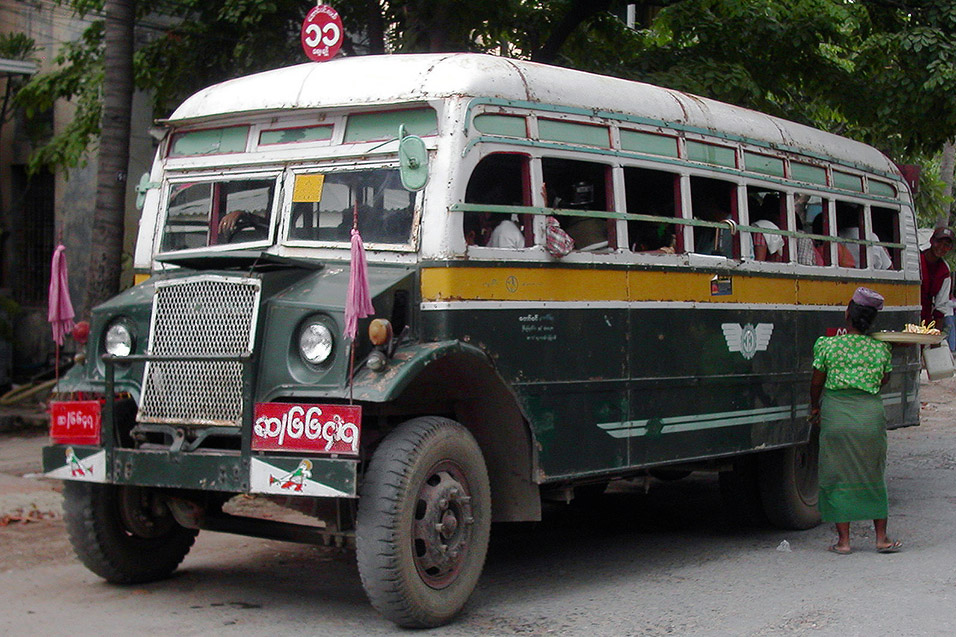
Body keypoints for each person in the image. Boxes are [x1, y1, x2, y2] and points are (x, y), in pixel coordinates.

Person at [809, 287, 899, 555]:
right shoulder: (881, 348)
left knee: (837, 474)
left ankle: (844, 542)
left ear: (847, 314)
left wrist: (815, 408)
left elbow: (816, 382)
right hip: (869, 417)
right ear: (871, 320)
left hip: (837, 414)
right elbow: (883, 380)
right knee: (873, 474)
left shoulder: (827, 345)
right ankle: (881, 539)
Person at [920, 227, 955, 326]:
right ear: (931, 241)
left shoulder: (944, 271)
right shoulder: (917, 259)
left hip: (925, 319)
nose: (941, 247)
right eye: (939, 242)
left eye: (946, 246)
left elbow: (941, 305)